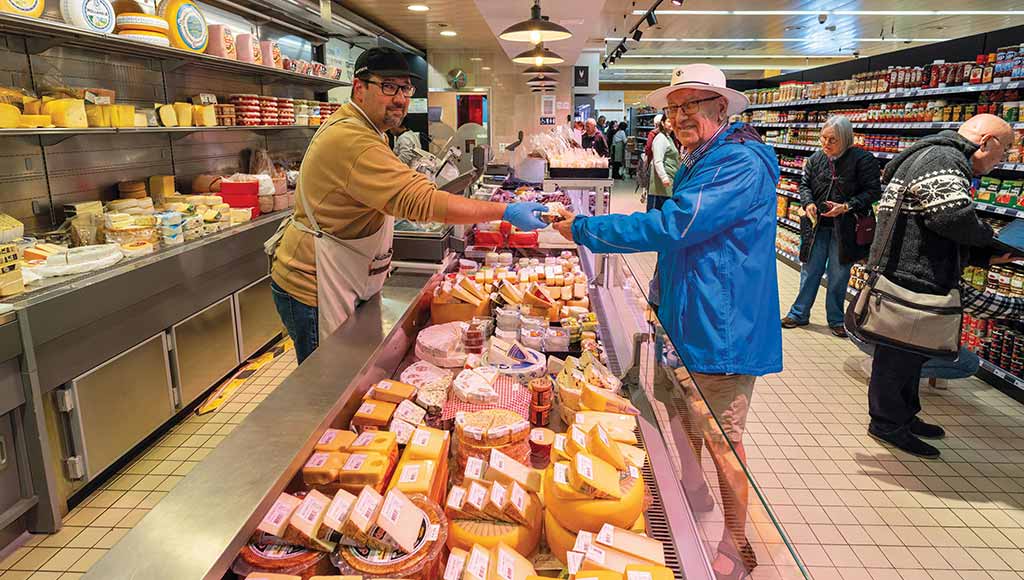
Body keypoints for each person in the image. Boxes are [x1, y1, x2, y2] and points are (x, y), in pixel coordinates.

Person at [554, 63, 781, 579]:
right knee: (680, 410)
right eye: (673, 107)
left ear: (721, 109)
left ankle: (735, 544)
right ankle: (694, 495)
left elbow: (676, 224)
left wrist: (587, 228)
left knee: (724, 439)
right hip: (687, 314)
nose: (678, 117)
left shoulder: (736, 164)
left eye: (691, 106)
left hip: (720, 325)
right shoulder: (701, 158)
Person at [268, 47, 547, 364]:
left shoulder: (372, 131)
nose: (400, 98)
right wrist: (504, 211)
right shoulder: (352, 139)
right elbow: (424, 202)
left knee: (345, 368)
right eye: (388, 87)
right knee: (326, 384)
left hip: (340, 272)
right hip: (312, 284)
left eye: (405, 88)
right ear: (359, 88)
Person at [865, 113, 1014, 459]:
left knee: (911, 356)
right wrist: (990, 240)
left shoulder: (934, 154)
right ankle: (887, 422)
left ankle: (903, 415)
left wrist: (982, 258)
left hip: (910, 269)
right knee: (898, 357)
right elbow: (951, 217)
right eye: (1004, 150)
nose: (1001, 159)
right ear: (987, 141)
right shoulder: (945, 158)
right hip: (912, 276)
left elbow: (934, 221)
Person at [780, 116, 881, 337]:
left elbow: (873, 192)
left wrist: (846, 206)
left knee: (839, 274)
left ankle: (836, 319)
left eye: (832, 140)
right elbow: (804, 184)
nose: (825, 144)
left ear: (845, 139)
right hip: (817, 226)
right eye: (823, 138)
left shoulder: (863, 160)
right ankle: (799, 314)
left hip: (845, 228)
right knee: (809, 271)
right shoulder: (817, 158)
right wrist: (807, 204)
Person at [647, 113, 679, 211]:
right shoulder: (660, 138)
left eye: (673, 121)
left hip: (669, 181)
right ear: (662, 123)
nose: (671, 123)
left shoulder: (668, 137)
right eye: (669, 121)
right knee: (656, 213)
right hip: (661, 184)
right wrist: (664, 178)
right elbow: (657, 161)